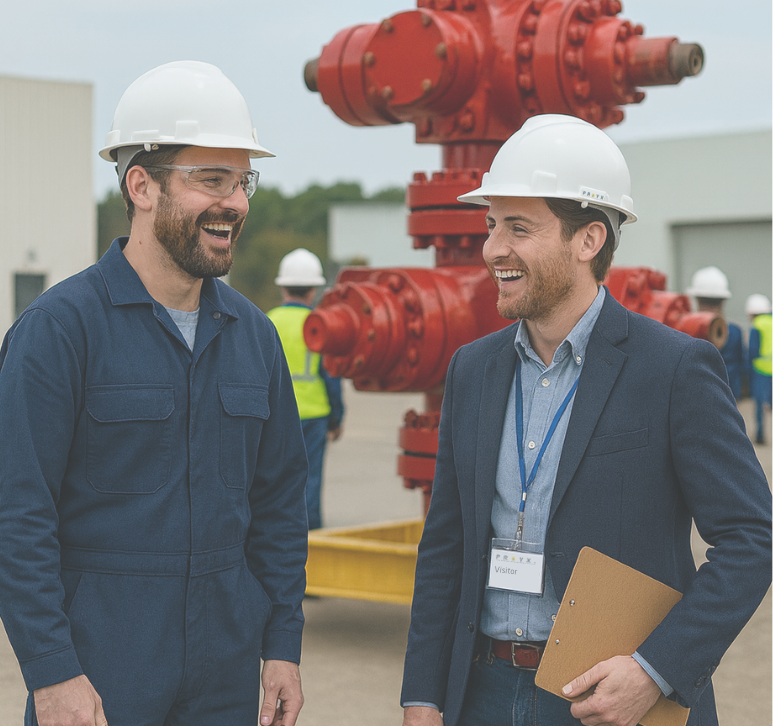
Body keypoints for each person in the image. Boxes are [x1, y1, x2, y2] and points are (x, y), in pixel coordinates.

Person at [400, 114, 773, 726]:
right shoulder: (472, 369)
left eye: (518, 227)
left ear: (589, 240)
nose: (493, 247)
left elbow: (752, 538)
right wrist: (422, 694)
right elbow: (445, 543)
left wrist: (654, 669)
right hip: (482, 692)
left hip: (610, 700)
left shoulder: (674, 369)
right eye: (491, 225)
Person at [0, 61, 309, 726]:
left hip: (224, 676)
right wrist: (52, 672)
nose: (236, 203)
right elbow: (17, 516)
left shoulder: (254, 337)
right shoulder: (59, 332)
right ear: (141, 185)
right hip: (102, 675)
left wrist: (282, 645)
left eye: (242, 181)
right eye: (211, 180)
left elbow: (280, 505)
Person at [267, 249, 345, 530]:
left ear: (282, 286)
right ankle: (310, 532)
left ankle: (277, 529)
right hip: (314, 413)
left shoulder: (266, 321)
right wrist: (336, 418)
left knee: (274, 476)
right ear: (313, 290)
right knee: (310, 477)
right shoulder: (320, 324)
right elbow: (331, 375)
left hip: (275, 415)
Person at [686, 265, 746, 399]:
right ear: (723, 301)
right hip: (729, 395)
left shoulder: (685, 333)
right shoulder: (735, 332)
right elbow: (742, 364)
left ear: (697, 300)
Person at [745, 293, 773, 445]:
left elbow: (753, 351)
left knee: (760, 405)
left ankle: (761, 436)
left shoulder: (757, 325)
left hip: (761, 369)